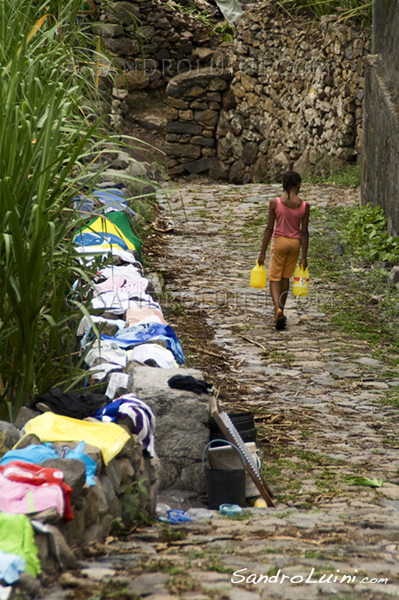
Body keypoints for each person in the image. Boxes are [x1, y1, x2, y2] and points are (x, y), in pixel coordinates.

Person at [257, 171, 309, 330]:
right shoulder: (304, 206)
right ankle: (282, 307)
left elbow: (269, 229)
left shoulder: (275, 203)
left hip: (279, 242)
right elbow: (304, 232)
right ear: (298, 184)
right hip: (295, 245)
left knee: (274, 277)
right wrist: (304, 257)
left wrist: (262, 252)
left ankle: (277, 309)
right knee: (286, 277)